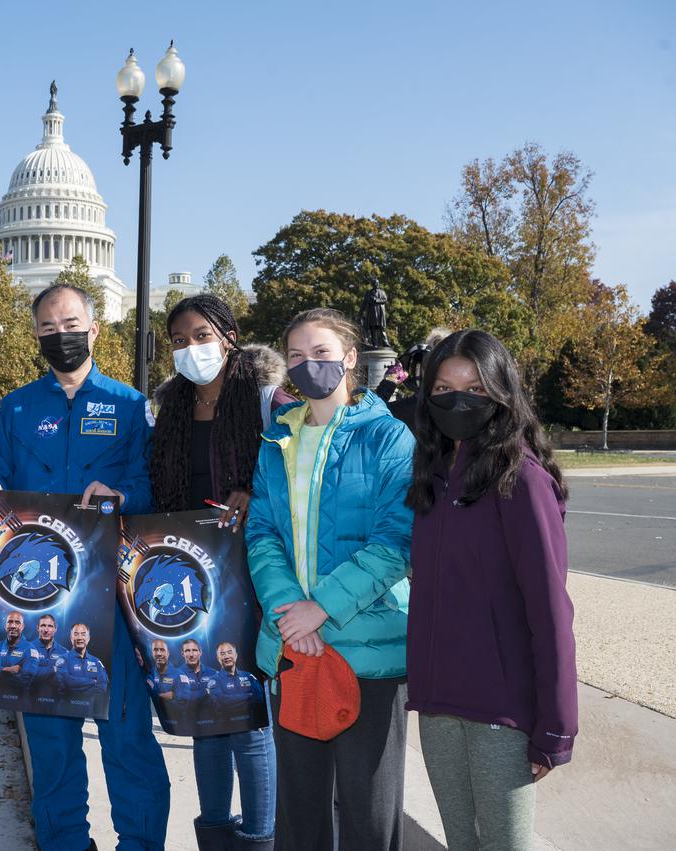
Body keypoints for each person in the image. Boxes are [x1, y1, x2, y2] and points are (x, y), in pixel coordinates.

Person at [0, 282, 170, 850]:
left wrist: (124, 494)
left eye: (71, 324)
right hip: (40, 606)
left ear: (95, 328)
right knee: (50, 750)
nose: (62, 336)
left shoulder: (130, 406)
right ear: (36, 336)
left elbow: (153, 488)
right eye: (49, 328)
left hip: (112, 601)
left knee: (128, 743)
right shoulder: (18, 406)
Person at [246, 307, 416, 851]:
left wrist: (320, 608)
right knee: (299, 817)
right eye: (295, 355)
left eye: (320, 353)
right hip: (294, 648)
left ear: (348, 359)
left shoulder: (389, 438)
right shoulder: (276, 440)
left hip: (367, 650)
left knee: (369, 816)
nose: (306, 364)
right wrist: (291, 613)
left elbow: (396, 542)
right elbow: (262, 534)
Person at [405, 329, 577, 851]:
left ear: (503, 393)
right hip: (438, 709)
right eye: (443, 387)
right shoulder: (431, 477)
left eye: (476, 388)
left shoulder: (522, 480)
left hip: (501, 714)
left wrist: (555, 728)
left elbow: (551, 613)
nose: (458, 400)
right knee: (463, 843)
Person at [151, 293, 285, 849]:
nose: (191, 349)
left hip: (248, 575)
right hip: (187, 573)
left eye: (202, 336)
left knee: (249, 718)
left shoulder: (267, 400)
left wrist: (254, 491)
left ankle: (259, 837)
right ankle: (213, 833)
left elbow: (291, 478)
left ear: (230, 335)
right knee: (200, 709)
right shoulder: (171, 407)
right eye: (179, 341)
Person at [58, 623, 109, 713]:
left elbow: (103, 686)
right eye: (76, 634)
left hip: (89, 712)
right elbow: (67, 682)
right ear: (71, 638)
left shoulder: (96, 662)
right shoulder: (63, 659)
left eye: (83, 634)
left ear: (88, 638)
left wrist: (78, 692)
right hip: (66, 711)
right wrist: (92, 682)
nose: (80, 638)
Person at [0, 610, 41, 702]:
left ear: (22, 626)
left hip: (18, 701)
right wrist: (6, 670)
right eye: (10, 622)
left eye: (17, 622)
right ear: (5, 626)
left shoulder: (31, 650)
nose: (13, 626)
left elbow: (25, 679)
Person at [213, 643, 266, 721]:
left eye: (230, 652)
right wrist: (249, 696)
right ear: (218, 658)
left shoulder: (248, 676)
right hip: (227, 727)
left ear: (236, 655)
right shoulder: (214, 680)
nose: (227, 656)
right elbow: (222, 702)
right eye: (222, 654)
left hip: (251, 726)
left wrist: (232, 700)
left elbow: (260, 698)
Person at [172, 639, 219, 725]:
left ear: (200, 652)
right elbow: (183, 700)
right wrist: (206, 691)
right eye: (187, 651)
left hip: (215, 723)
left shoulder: (213, 673)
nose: (191, 654)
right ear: (182, 654)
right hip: (192, 725)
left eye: (194, 650)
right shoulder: (176, 674)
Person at [30, 613, 72, 708]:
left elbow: (66, 679)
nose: (46, 630)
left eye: (50, 626)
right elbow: (29, 673)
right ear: (38, 628)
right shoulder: (28, 648)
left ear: (55, 629)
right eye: (43, 625)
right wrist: (54, 669)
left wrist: (41, 671)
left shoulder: (64, 652)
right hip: (31, 703)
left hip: (57, 705)